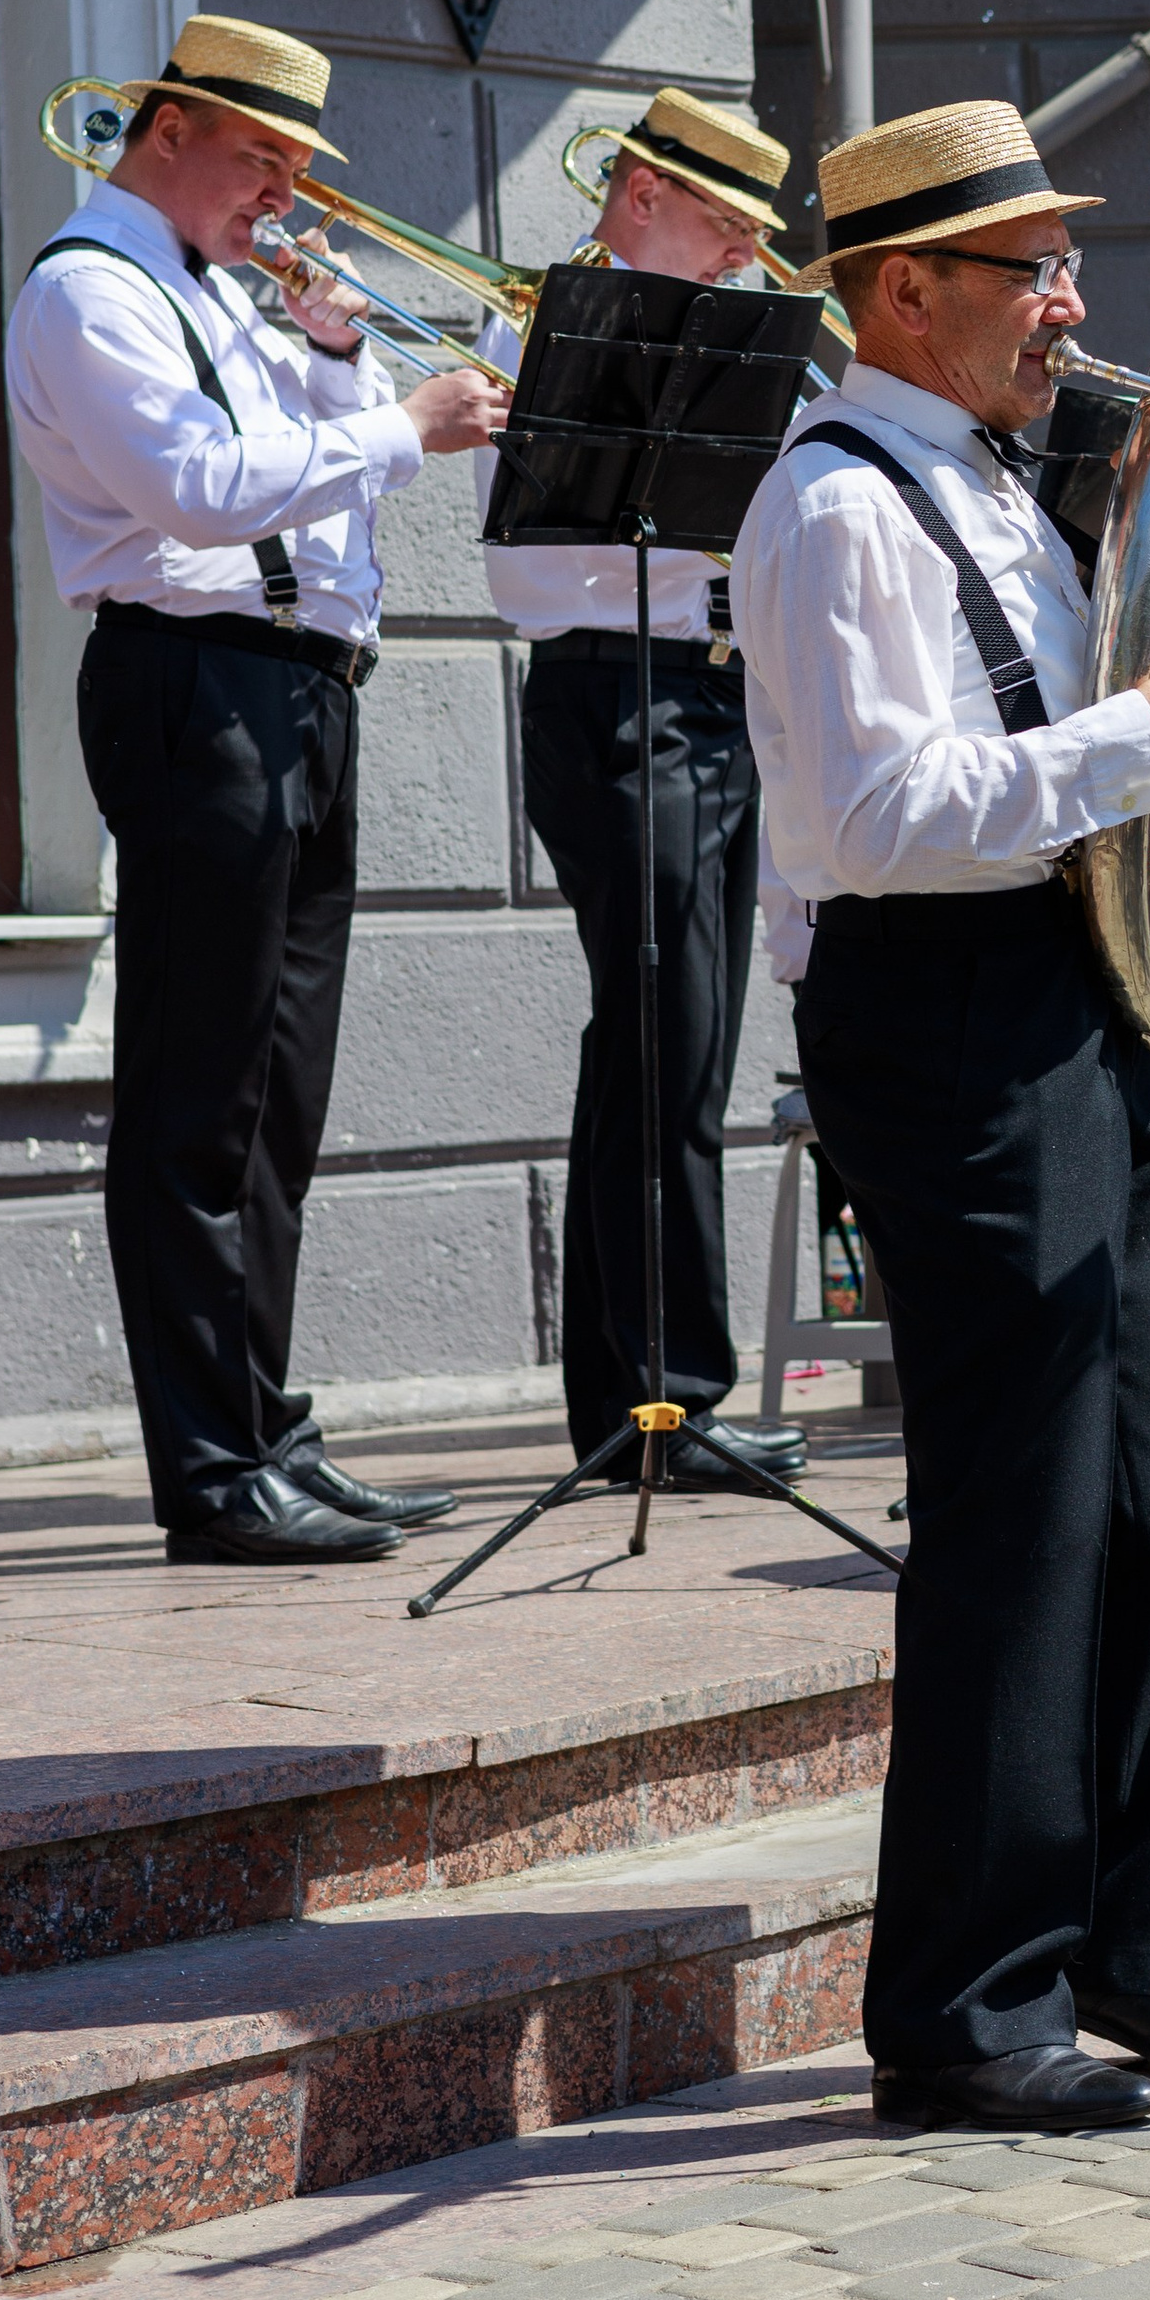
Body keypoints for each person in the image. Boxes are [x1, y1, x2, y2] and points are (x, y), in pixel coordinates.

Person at [731, 98, 1150, 2136]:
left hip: (1070, 997)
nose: (1069, 304)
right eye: (1028, 272)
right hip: (942, 1013)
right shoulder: (830, 509)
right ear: (902, 291)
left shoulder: (976, 478)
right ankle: (964, 2011)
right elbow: (883, 819)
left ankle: (1136, 1956)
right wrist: (1143, 733)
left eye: (1062, 267)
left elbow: (1073, 731)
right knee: (1019, 1510)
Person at [6, 17, 505, 1561]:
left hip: (295, 694)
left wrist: (343, 361)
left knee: (278, 1099)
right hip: (190, 685)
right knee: (195, 1099)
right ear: (169, 132)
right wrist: (397, 422)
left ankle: (267, 1429)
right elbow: (197, 493)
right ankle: (212, 1475)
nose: (287, 193)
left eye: (300, 162)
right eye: (266, 158)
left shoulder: (224, 294)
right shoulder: (94, 292)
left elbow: (309, 507)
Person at [479, 86, 807, 1487]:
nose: (743, 254)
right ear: (640, 197)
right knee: (662, 1032)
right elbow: (528, 574)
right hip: (617, 692)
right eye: (726, 225)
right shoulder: (539, 322)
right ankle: (668, 1397)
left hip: (718, 695)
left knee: (668, 1039)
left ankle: (634, 1403)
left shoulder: (754, 350)